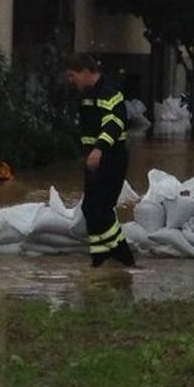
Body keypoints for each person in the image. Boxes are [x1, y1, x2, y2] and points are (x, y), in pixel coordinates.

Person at [66, 53, 136, 268]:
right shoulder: (87, 94)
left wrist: (98, 149)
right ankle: (99, 257)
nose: (71, 81)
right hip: (93, 160)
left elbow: (114, 123)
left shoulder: (109, 93)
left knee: (100, 208)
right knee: (90, 208)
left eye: (73, 75)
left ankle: (123, 255)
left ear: (86, 72)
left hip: (110, 158)